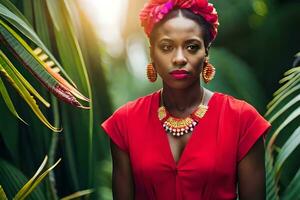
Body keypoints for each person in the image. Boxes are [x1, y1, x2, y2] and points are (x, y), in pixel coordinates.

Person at [101, 0, 271, 199]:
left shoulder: (244, 120)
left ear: (206, 51)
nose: (179, 58)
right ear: (152, 53)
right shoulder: (124, 124)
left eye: (191, 46)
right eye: (166, 47)